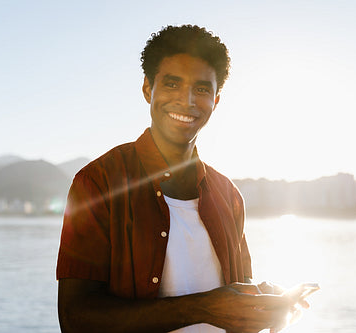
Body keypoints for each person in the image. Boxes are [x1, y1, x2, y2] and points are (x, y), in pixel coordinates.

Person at [57, 24, 309, 333]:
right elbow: (75, 319)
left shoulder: (229, 195)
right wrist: (203, 307)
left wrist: (271, 306)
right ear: (148, 89)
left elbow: (237, 305)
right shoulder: (98, 182)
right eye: (172, 84)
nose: (187, 100)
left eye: (202, 89)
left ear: (216, 100)